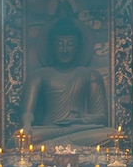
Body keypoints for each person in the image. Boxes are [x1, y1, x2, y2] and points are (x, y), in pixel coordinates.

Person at [22, 17, 115, 146]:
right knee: (21, 137)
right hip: (50, 130)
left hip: (78, 129)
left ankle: (52, 145)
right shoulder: (38, 76)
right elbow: (27, 112)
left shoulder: (90, 75)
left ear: (79, 47)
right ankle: (58, 143)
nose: (65, 50)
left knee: (111, 134)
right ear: (50, 47)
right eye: (59, 44)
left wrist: (79, 121)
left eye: (70, 44)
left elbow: (101, 117)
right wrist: (27, 126)